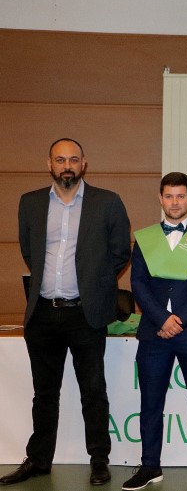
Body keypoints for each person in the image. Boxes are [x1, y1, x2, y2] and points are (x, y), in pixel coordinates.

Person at [2, 138, 130, 487]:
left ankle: (99, 460)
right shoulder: (30, 203)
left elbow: (120, 253)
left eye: (73, 159)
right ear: (50, 164)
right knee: (44, 393)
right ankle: (39, 461)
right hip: (42, 313)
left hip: (85, 313)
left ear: (84, 164)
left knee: (93, 391)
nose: (67, 165)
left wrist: (94, 283)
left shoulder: (107, 202)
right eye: (60, 160)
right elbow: (30, 251)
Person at [123, 172, 187, 491]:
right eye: (169, 196)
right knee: (151, 403)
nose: (175, 202)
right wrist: (161, 319)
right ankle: (150, 466)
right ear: (160, 198)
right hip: (154, 333)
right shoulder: (146, 237)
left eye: (181, 196)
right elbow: (137, 282)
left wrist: (177, 318)